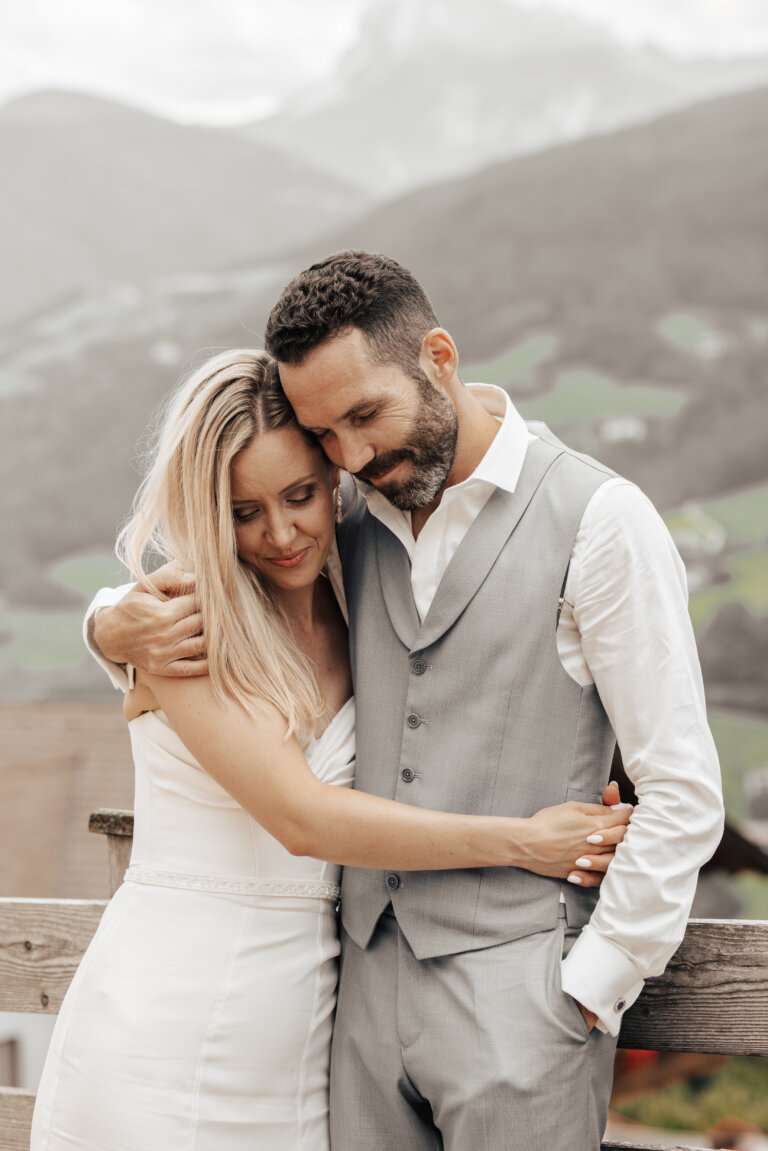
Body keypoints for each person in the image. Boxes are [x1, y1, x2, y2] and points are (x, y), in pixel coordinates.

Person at [89, 252, 724, 1151]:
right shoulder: (344, 523)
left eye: (364, 416)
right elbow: (196, 588)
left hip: (526, 996)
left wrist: (593, 982)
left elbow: (684, 788)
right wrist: (107, 625)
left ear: (438, 355)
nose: (351, 457)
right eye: (327, 437)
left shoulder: (601, 520)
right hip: (355, 1010)